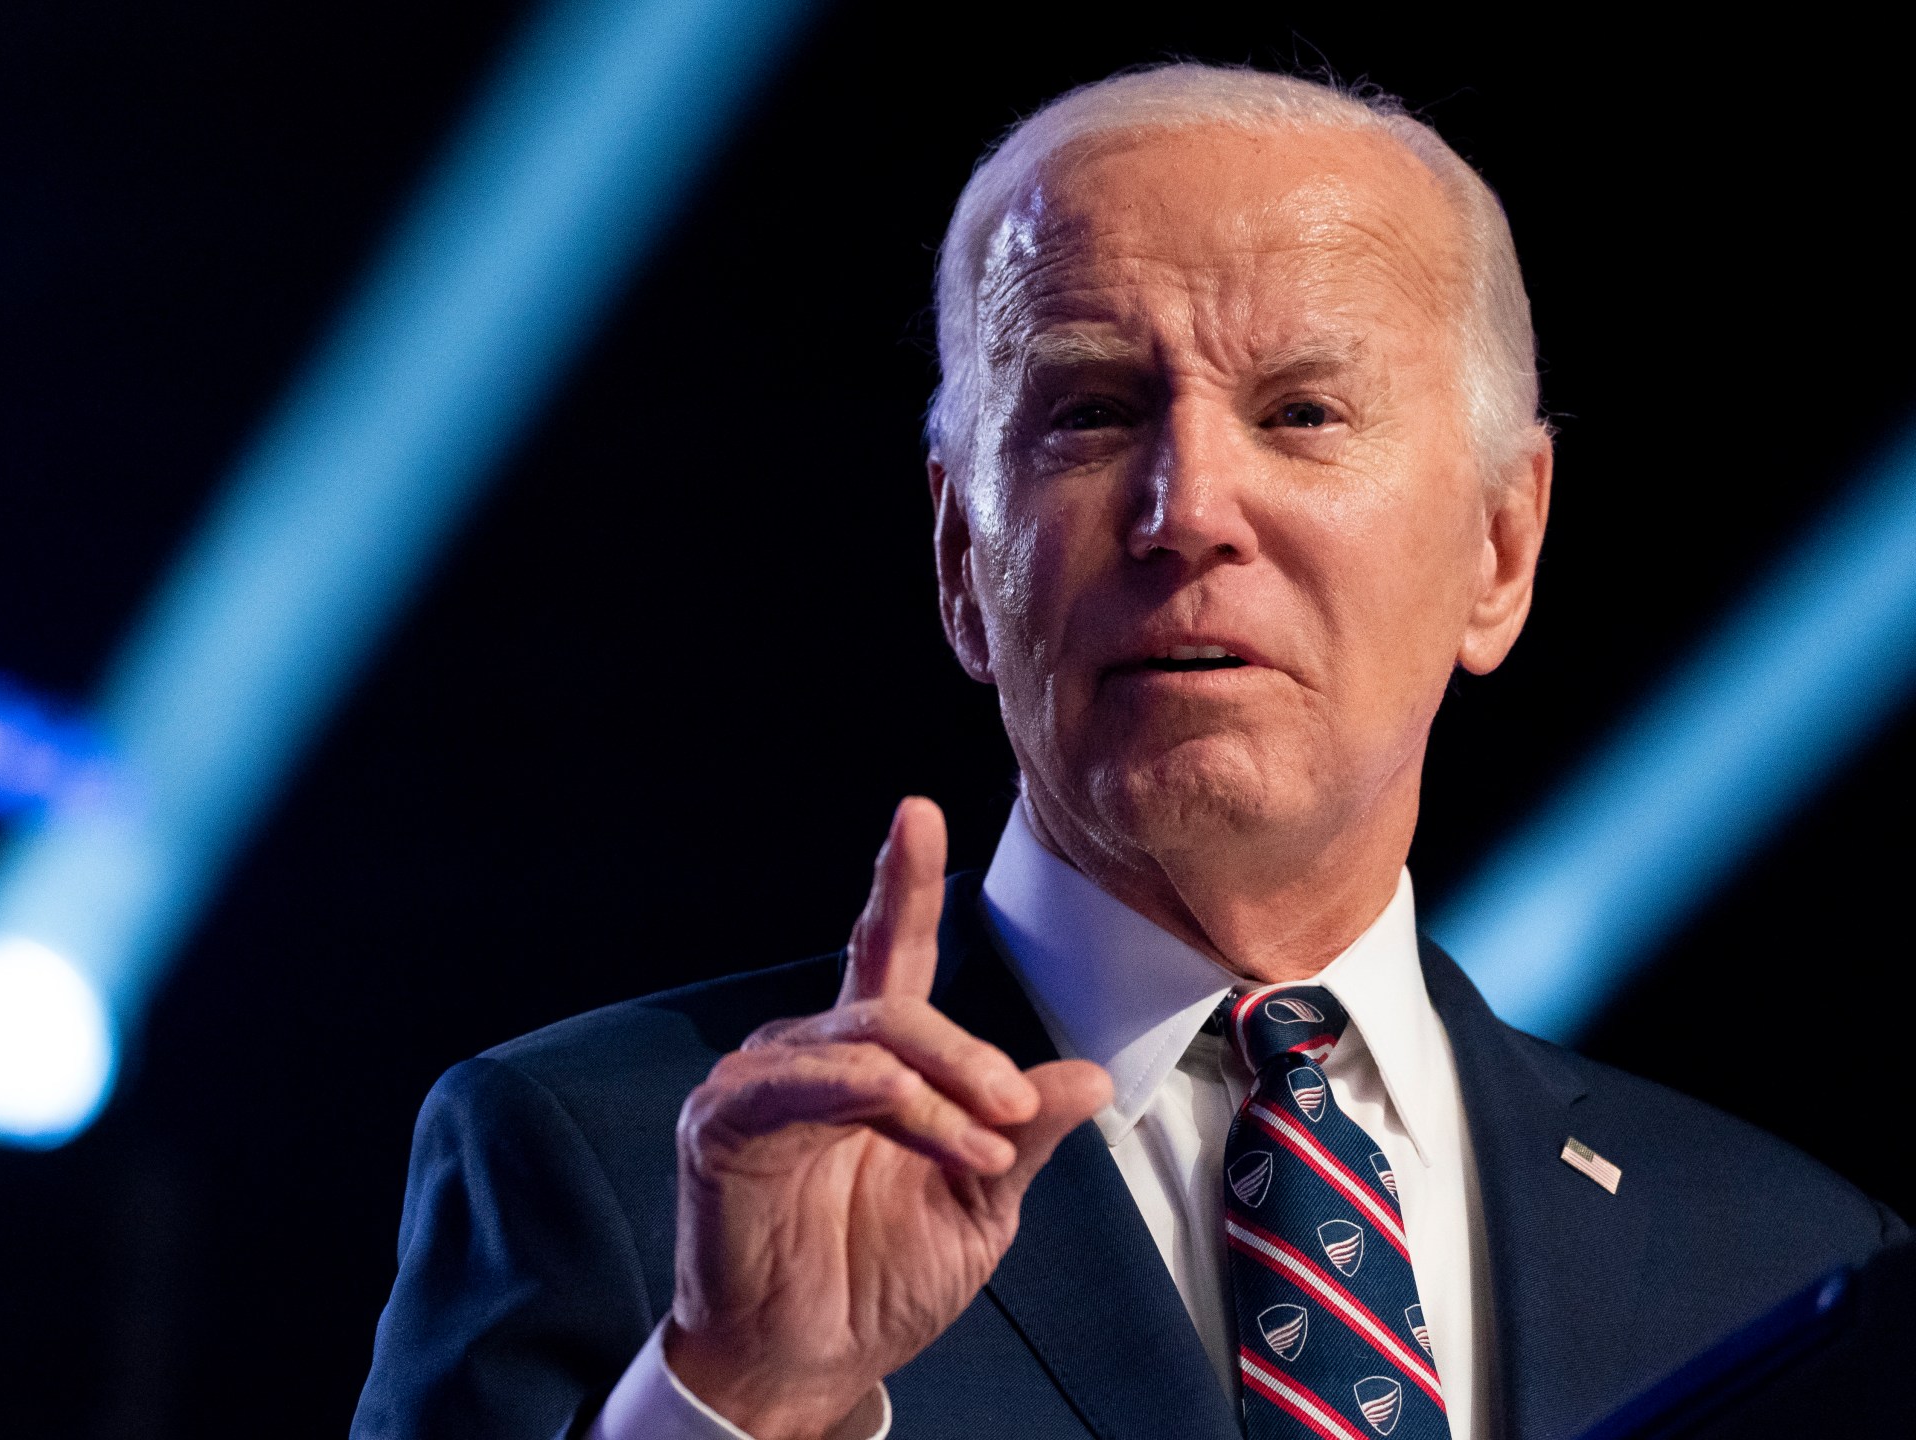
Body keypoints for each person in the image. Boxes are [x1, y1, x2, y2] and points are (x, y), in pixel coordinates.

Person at [349, 64, 1904, 1440]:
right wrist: (738, 1404)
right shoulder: (605, 1166)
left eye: (1302, 412)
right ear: (964, 559)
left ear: (1502, 547)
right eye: (1090, 413)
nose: (1188, 512)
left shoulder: (1791, 1263)